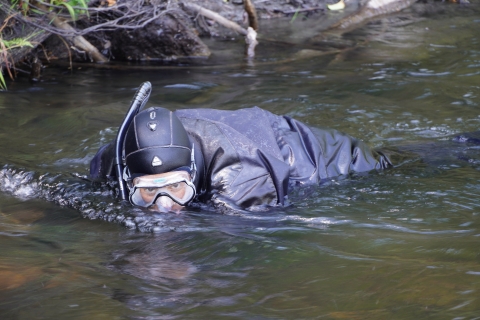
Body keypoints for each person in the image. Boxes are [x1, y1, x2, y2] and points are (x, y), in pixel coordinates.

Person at [90, 82, 397, 213]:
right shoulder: (112, 160)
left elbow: (247, 243)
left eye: (176, 188)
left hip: (320, 157)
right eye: (148, 192)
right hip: (248, 133)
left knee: (406, 164)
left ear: (192, 173)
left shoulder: (241, 178)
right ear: (127, 181)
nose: (165, 206)